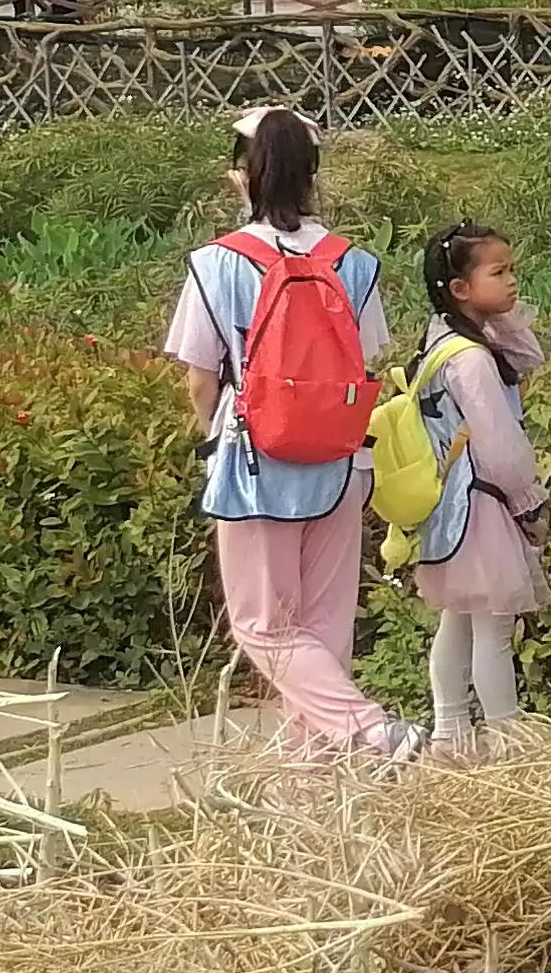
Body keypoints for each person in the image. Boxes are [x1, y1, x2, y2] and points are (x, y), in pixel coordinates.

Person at [167, 114, 417, 765]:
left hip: (255, 460)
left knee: (264, 627)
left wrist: (210, 438)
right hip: (340, 457)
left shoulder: (216, 263)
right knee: (322, 630)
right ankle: (310, 787)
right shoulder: (353, 262)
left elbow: (199, 379)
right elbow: (368, 360)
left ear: (239, 175)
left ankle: (370, 731)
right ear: (313, 173)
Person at [400, 222, 551, 756]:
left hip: (450, 507)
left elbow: (527, 357)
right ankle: (507, 736)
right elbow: (501, 444)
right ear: (460, 289)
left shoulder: (443, 341)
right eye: (499, 272)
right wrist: (530, 502)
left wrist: (499, 315)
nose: (513, 283)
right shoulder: (471, 360)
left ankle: (451, 731)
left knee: (458, 619)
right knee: (493, 625)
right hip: (486, 503)